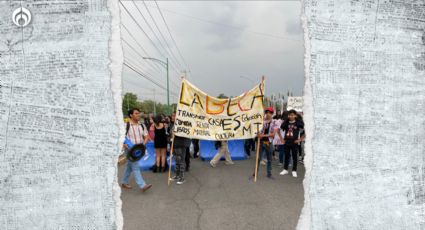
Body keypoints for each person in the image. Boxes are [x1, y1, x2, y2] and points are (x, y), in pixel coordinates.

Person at [121, 108, 152, 192]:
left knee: (129, 166)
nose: (138, 115)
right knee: (135, 166)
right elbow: (119, 136)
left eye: (138, 113)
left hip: (138, 150)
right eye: (136, 113)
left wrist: (143, 145)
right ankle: (142, 185)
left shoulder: (142, 125)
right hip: (130, 150)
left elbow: (146, 136)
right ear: (131, 115)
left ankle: (124, 182)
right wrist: (123, 144)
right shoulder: (125, 125)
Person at [278, 110, 305, 177]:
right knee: (286, 156)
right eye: (290, 115)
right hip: (287, 141)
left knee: (294, 157)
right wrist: (281, 139)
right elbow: (278, 130)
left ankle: (294, 170)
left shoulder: (298, 123)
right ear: (288, 116)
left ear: (295, 115)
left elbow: (306, 131)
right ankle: (285, 169)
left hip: (294, 142)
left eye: (292, 115)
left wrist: (300, 139)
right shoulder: (285, 123)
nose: (291, 116)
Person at [169, 112, 192, 185]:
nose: (172, 117)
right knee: (176, 161)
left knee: (181, 161)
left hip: (181, 145)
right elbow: (170, 134)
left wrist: (176, 133)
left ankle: (182, 177)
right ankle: (177, 175)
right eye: (172, 115)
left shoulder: (183, 124)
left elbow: (184, 134)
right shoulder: (172, 124)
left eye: (174, 115)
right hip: (175, 145)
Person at [254, 107, 276, 179]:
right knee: (258, 158)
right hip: (261, 142)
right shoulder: (261, 121)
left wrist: (262, 135)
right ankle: (255, 173)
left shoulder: (275, 122)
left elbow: (273, 134)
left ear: (272, 114)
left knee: (269, 159)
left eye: (270, 113)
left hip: (268, 142)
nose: (268, 114)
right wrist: (257, 134)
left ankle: (269, 173)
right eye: (267, 113)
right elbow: (257, 131)